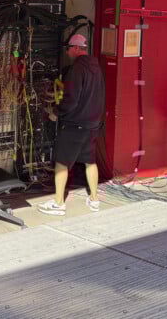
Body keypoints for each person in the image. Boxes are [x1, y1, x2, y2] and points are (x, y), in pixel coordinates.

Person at [38, 33, 105, 216]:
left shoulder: (77, 69)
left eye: (68, 48)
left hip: (74, 124)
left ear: (76, 48)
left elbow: (71, 99)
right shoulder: (95, 67)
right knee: (90, 162)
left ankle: (59, 204)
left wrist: (55, 113)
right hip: (92, 124)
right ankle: (94, 200)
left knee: (62, 163)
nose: (67, 52)